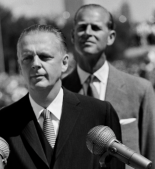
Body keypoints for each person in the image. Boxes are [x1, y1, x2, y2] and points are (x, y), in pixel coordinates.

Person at [0, 24, 124, 169]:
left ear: (64, 63)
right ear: (20, 67)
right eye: (27, 58)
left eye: (44, 57)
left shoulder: (98, 113)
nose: (36, 64)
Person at [62, 4, 155, 169]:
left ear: (111, 36)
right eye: (82, 27)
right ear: (73, 36)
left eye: (96, 27)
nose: (88, 32)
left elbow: (151, 153)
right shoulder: (58, 93)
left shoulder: (140, 89)